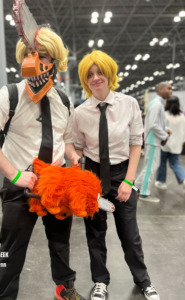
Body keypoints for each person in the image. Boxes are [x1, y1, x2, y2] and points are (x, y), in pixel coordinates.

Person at [0, 25, 85, 300]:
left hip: (56, 184)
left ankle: (64, 289)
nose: (34, 61)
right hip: (21, 187)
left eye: (43, 55)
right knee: (11, 250)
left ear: (55, 62)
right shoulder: (10, 95)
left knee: (60, 244)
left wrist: (72, 155)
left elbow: (65, 137)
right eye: (30, 54)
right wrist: (14, 173)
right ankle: (4, 297)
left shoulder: (64, 100)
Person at [72, 50, 159, 300]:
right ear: (84, 80)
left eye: (100, 72)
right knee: (95, 234)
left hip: (122, 172)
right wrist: (75, 158)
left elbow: (135, 144)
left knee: (130, 235)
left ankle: (143, 280)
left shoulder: (129, 104)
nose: (96, 78)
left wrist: (129, 181)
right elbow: (77, 145)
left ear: (110, 74)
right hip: (93, 176)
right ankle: (100, 281)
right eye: (90, 74)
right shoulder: (80, 113)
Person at [136, 81, 172, 202]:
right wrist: (164, 136)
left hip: (153, 140)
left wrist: (165, 130)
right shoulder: (157, 104)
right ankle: (144, 193)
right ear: (160, 90)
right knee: (151, 167)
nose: (171, 91)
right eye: (168, 88)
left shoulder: (158, 103)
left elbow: (158, 123)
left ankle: (135, 187)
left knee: (149, 166)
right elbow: (153, 124)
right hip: (153, 140)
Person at [155, 95, 185, 193]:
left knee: (162, 163)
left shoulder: (165, 114)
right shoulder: (182, 116)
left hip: (165, 144)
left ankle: (161, 182)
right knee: (176, 164)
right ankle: (183, 179)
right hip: (177, 145)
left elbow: (161, 129)